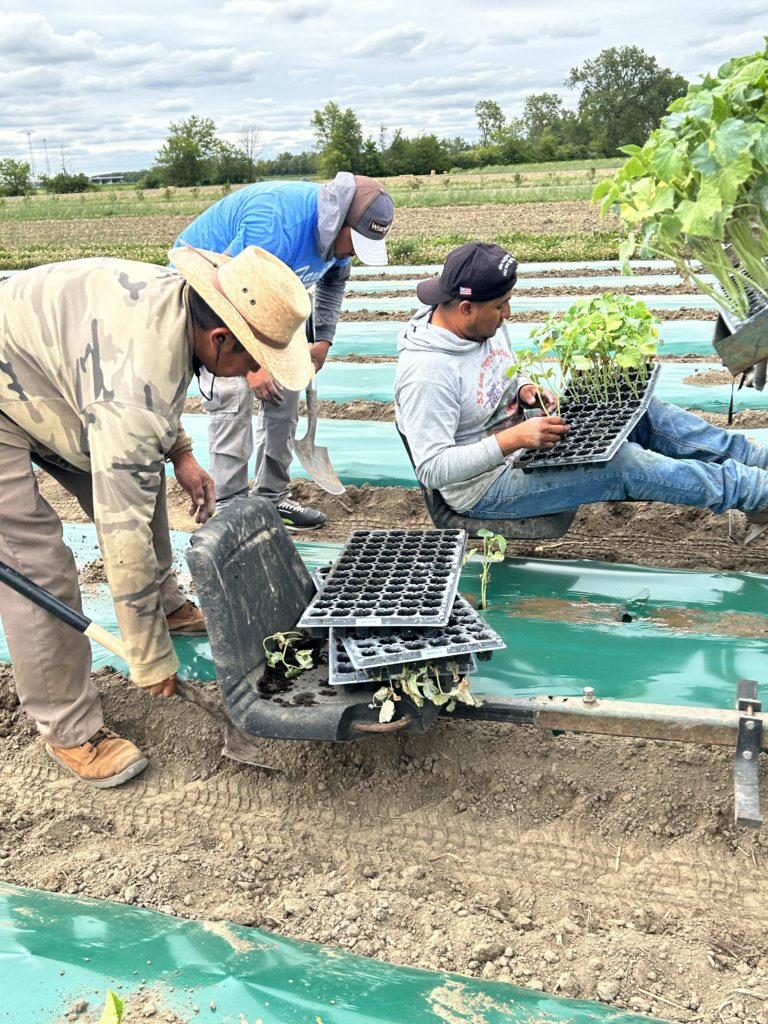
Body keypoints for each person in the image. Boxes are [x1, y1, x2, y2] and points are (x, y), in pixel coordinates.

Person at [0, 245, 312, 787]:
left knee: (140, 489)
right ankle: (69, 728)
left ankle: (165, 605)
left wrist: (182, 452)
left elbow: (145, 395)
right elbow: (122, 537)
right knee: (37, 563)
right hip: (13, 388)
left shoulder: (183, 305)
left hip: (50, 379)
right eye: (252, 361)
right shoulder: (135, 392)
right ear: (220, 339)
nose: (253, 375)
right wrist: (147, 658)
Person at [395, 242, 768, 535]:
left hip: (526, 447)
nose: (508, 313)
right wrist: (514, 439)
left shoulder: (482, 325)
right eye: (501, 305)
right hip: (486, 488)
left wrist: (524, 388)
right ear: (465, 308)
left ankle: (757, 462)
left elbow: (498, 373)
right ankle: (756, 494)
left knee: (645, 414)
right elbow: (433, 469)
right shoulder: (427, 374)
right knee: (622, 464)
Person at [174, 172, 395, 530]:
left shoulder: (339, 237)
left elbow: (333, 283)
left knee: (288, 387)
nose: (353, 251)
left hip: (270, 305)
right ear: (336, 221)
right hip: (211, 299)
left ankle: (271, 498)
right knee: (233, 394)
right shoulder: (276, 222)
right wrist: (251, 366)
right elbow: (225, 293)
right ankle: (230, 508)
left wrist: (322, 340)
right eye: (354, 242)